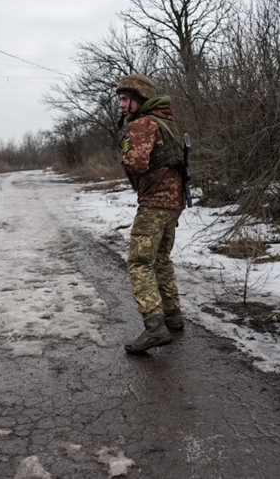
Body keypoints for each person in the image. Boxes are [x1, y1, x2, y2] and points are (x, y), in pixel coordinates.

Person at [116, 74, 187, 354]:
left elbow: (136, 164)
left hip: (155, 202)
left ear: (139, 99)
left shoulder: (143, 124)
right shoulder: (166, 122)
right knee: (160, 260)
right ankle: (173, 316)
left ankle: (155, 328)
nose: (121, 105)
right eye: (119, 99)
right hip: (174, 202)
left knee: (139, 262)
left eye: (124, 99)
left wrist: (126, 148)